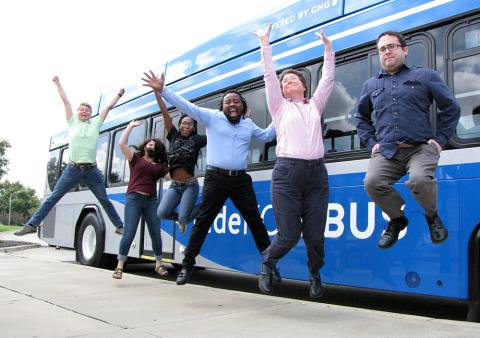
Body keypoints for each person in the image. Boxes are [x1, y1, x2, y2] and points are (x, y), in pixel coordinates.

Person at [142, 70, 280, 286]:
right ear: (222, 107)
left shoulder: (248, 125)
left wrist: (281, 113)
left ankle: (270, 265)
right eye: (227, 102)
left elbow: (268, 136)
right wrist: (163, 90)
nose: (232, 105)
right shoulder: (211, 118)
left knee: (256, 222)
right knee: (203, 221)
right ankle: (187, 267)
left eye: (236, 102)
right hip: (216, 179)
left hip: (240, 180)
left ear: (242, 106)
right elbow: (187, 106)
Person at [356, 31, 461, 249]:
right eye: (382, 49)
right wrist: (370, 143)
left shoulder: (425, 76)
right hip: (387, 152)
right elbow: (361, 119)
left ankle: (432, 217)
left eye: (391, 46)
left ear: (404, 49)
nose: (387, 52)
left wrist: (440, 140)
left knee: (419, 180)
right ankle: (397, 219)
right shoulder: (370, 85)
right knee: (372, 182)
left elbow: (451, 108)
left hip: (419, 149)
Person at [255, 25, 335, 298]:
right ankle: (268, 263)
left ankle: (314, 274)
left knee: (315, 237)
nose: (287, 83)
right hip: (287, 174)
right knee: (288, 235)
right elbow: (268, 76)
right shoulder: (279, 107)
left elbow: (328, 80)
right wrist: (265, 45)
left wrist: (328, 49)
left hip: (316, 175)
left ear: (303, 85)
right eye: (284, 82)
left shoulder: (315, 105)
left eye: (292, 80)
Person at [15, 76, 125, 236]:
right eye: (81, 109)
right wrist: (58, 84)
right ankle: (32, 224)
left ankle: (120, 226)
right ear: (77, 112)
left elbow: (107, 107)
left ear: (90, 114)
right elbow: (66, 102)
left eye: (87, 110)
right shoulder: (72, 123)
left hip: (92, 170)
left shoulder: (95, 124)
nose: (84, 111)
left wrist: (119, 95)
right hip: (72, 169)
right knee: (53, 197)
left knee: (104, 199)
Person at [112, 120, 169, 279]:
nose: (151, 145)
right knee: (129, 233)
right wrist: (129, 127)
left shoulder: (160, 165)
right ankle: (120, 266)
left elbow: (172, 177)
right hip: (134, 199)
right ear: (144, 146)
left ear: (157, 149)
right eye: (149, 144)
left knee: (155, 233)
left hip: (151, 201)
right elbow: (122, 143)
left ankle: (158, 264)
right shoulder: (135, 158)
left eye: (154, 145)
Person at [153, 91, 207, 234]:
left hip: (190, 185)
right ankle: (180, 220)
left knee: (184, 218)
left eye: (189, 124)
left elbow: (217, 132)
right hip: (175, 186)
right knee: (162, 213)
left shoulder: (197, 140)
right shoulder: (174, 136)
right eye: (183, 123)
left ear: (194, 127)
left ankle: (208, 204)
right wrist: (158, 95)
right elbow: (165, 114)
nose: (185, 126)